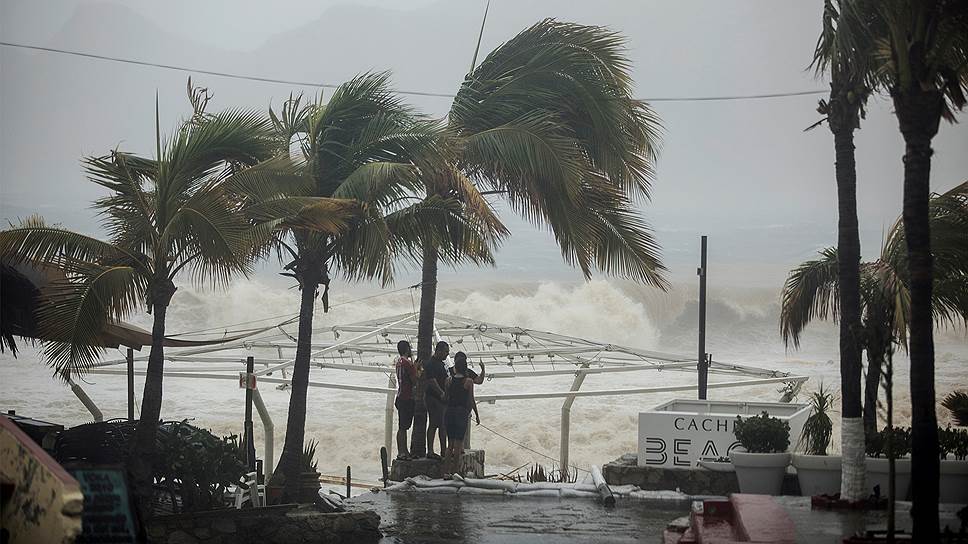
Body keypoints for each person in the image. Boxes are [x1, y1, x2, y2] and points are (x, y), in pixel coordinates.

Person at [443, 352, 477, 476]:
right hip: (461, 413)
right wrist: (477, 415)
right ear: (465, 368)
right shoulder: (468, 382)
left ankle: (446, 472)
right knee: (458, 445)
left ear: (455, 368)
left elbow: (445, 397)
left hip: (449, 412)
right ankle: (455, 472)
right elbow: (471, 400)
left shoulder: (448, 380)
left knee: (449, 445)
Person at [422, 341, 449, 460]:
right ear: (439, 351)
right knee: (434, 423)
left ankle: (444, 450)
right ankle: (431, 450)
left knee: (442, 425)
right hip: (433, 398)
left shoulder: (441, 364)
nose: (446, 355)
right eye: (445, 352)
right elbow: (431, 381)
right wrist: (441, 392)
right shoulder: (430, 363)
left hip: (441, 399)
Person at [393, 340, 417, 460]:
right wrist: (417, 369)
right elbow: (414, 380)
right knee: (404, 427)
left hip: (400, 396)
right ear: (407, 349)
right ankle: (403, 452)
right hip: (407, 398)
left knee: (402, 427)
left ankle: (402, 451)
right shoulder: (408, 363)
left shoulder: (399, 362)